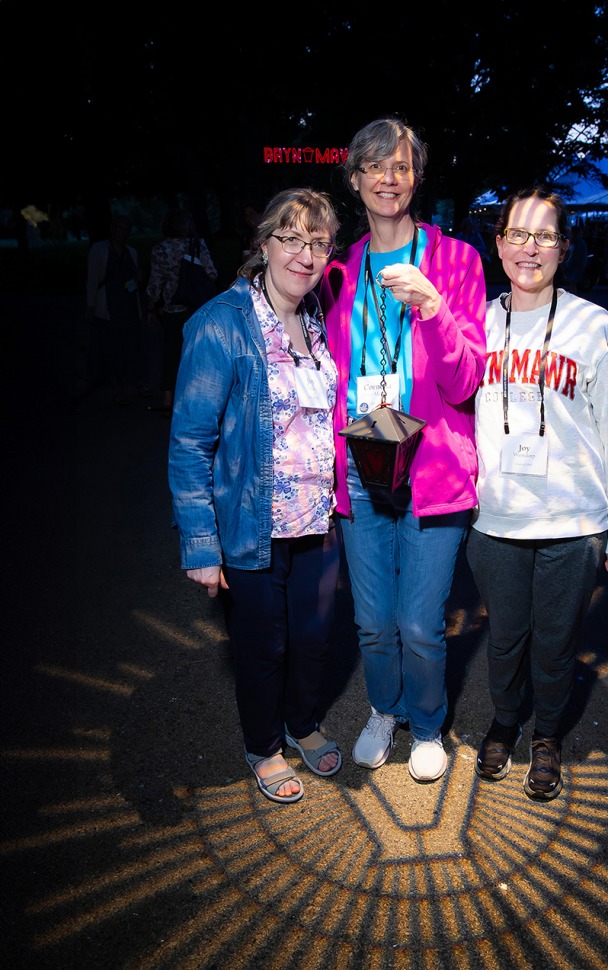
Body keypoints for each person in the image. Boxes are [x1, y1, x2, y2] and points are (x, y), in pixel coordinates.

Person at [319, 116, 487, 783]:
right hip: (362, 461)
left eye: (401, 166)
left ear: (417, 178)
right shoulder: (338, 271)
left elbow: (466, 379)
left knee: (419, 624)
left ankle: (425, 724)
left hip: (434, 469)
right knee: (371, 623)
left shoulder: (456, 262)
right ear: (355, 179)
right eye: (374, 166)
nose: (388, 178)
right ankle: (383, 710)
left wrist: (434, 309)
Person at [466, 186, 608, 802]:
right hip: (496, 521)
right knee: (506, 635)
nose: (530, 248)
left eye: (546, 236)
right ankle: (505, 720)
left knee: (556, 641)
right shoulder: (477, 323)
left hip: (573, 521)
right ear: (498, 244)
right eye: (518, 233)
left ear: (564, 249)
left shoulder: (592, 325)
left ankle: (546, 736)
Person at [168, 188, 342, 805]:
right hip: (252, 523)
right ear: (263, 243)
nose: (305, 255)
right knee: (262, 645)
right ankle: (264, 746)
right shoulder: (220, 323)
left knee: (314, 639)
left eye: (318, 243)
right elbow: (191, 442)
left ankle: (301, 723)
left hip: (319, 521)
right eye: (291, 239)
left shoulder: (317, 319)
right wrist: (200, 543)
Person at [145, 209, 218, 414]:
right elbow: (212, 273)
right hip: (197, 308)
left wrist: (150, 308)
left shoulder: (161, 249)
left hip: (173, 309)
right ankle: (198, 400)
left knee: (171, 353)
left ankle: (168, 399)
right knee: (198, 353)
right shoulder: (197, 244)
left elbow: (155, 282)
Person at [85, 215, 148, 405]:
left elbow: (133, 277)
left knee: (133, 346)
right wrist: (90, 305)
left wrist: (138, 278)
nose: (122, 233)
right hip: (109, 304)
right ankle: (116, 387)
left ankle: (138, 381)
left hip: (128, 304)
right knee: (112, 348)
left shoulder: (131, 252)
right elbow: (92, 278)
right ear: (112, 230)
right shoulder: (100, 250)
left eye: (126, 229)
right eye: (119, 228)